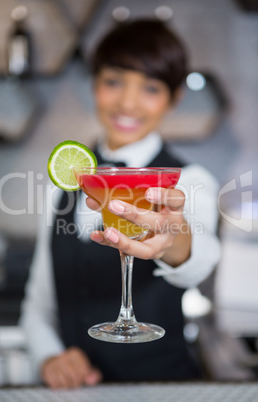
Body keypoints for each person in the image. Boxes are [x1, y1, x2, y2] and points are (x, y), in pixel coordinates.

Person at [20, 19, 221, 389]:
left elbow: (201, 264)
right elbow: (39, 303)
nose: (127, 102)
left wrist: (175, 238)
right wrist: (50, 356)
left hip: (164, 390)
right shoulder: (65, 183)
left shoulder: (189, 181)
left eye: (150, 87)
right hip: (80, 394)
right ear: (94, 84)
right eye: (113, 81)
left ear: (174, 99)